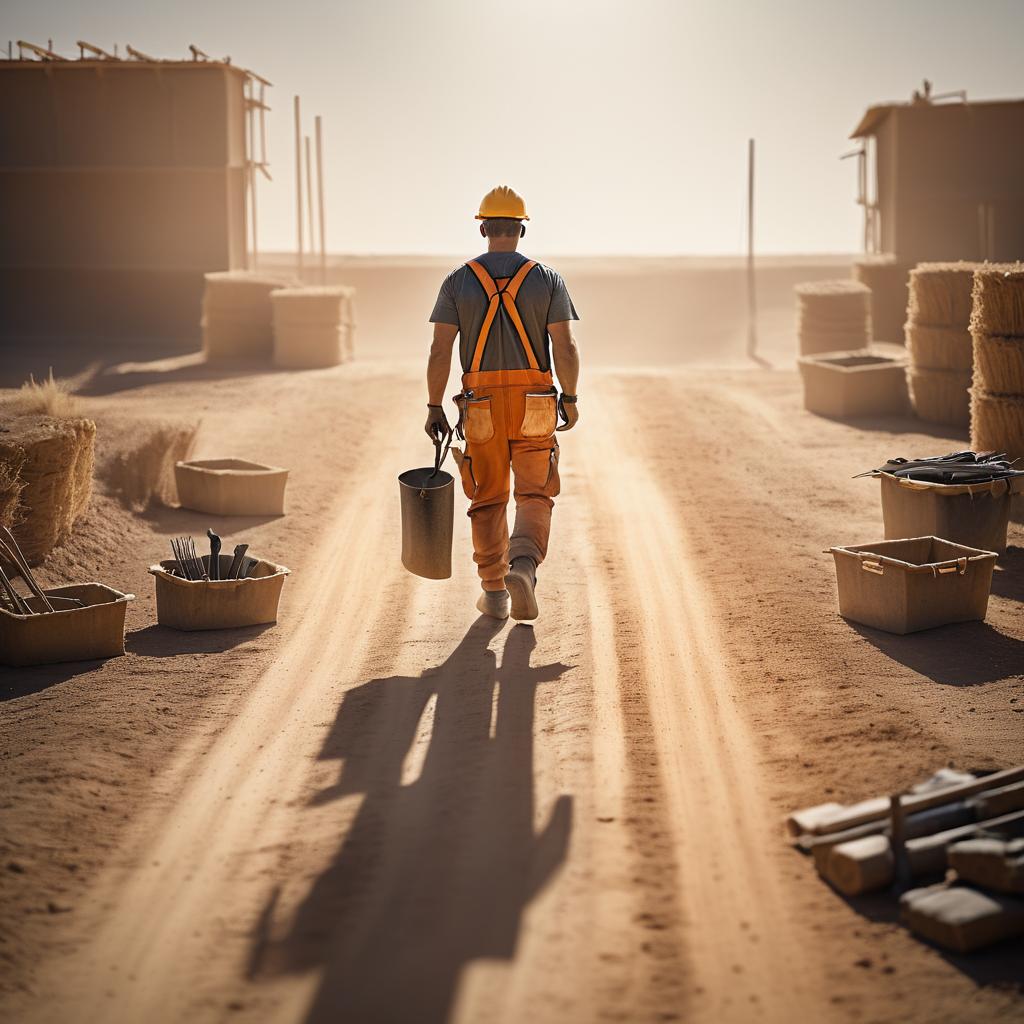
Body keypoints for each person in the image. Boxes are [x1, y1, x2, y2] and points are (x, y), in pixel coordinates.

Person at [425, 186, 580, 622]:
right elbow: (565, 347)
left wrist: (434, 406)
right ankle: (524, 568)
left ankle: (494, 591)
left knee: (488, 496)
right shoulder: (547, 279)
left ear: (483, 228)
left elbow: (439, 351)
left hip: (481, 406)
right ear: (522, 229)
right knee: (535, 491)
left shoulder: (457, 282)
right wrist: (569, 396)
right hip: (535, 401)